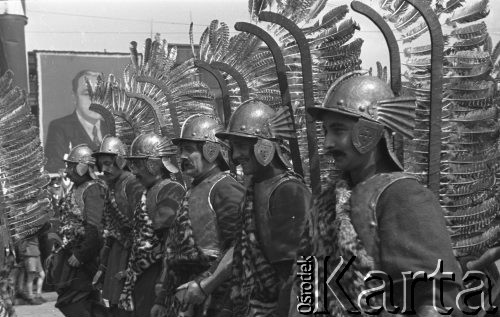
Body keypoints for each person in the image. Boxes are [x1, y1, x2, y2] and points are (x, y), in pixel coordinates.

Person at [292, 74, 463, 316]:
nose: (327, 143)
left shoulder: (403, 195)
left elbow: (434, 296)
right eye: (326, 131)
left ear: (369, 132)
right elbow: (307, 273)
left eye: (338, 130)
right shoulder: (327, 199)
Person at [181, 100, 311, 316]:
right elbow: (242, 253)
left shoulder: (289, 191)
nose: (235, 156)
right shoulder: (255, 188)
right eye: (233, 148)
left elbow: (302, 268)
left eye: (242, 146)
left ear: (265, 145)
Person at [151, 115, 245, 317]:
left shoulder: (225, 187)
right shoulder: (193, 188)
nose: (183, 157)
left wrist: (208, 286)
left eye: (189, 150)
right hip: (185, 295)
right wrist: (163, 300)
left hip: (215, 296)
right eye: (181, 150)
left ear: (211, 151)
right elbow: (175, 251)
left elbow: (237, 248)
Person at [119, 132, 185, 317]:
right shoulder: (149, 191)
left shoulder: (170, 189)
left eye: (139, 164)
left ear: (154, 164)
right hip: (143, 272)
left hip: (158, 272)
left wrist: (163, 282)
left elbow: (170, 243)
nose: (134, 171)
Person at [47, 144, 107, 317]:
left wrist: (81, 254)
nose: (67, 172)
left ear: (83, 167)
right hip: (72, 253)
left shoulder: (93, 189)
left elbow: (95, 227)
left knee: (75, 303)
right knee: (84, 301)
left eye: (71, 167)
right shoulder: (76, 187)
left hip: (84, 257)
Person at [91, 135, 144, 317]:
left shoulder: (132, 183)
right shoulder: (111, 185)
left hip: (133, 251)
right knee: (114, 305)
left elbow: (142, 223)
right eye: (101, 164)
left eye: (108, 163)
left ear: (120, 161)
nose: (104, 169)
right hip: (116, 251)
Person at [44, 70, 110, 173]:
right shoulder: (59, 128)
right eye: (87, 93)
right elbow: (55, 172)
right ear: (74, 97)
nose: (95, 100)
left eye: (100, 93)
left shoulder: (113, 127)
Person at [17, 234, 46, 305]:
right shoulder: (24, 231)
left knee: (42, 275)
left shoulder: (33, 228)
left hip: (36, 254)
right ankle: (31, 298)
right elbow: (21, 245)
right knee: (31, 277)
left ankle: (38, 295)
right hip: (30, 256)